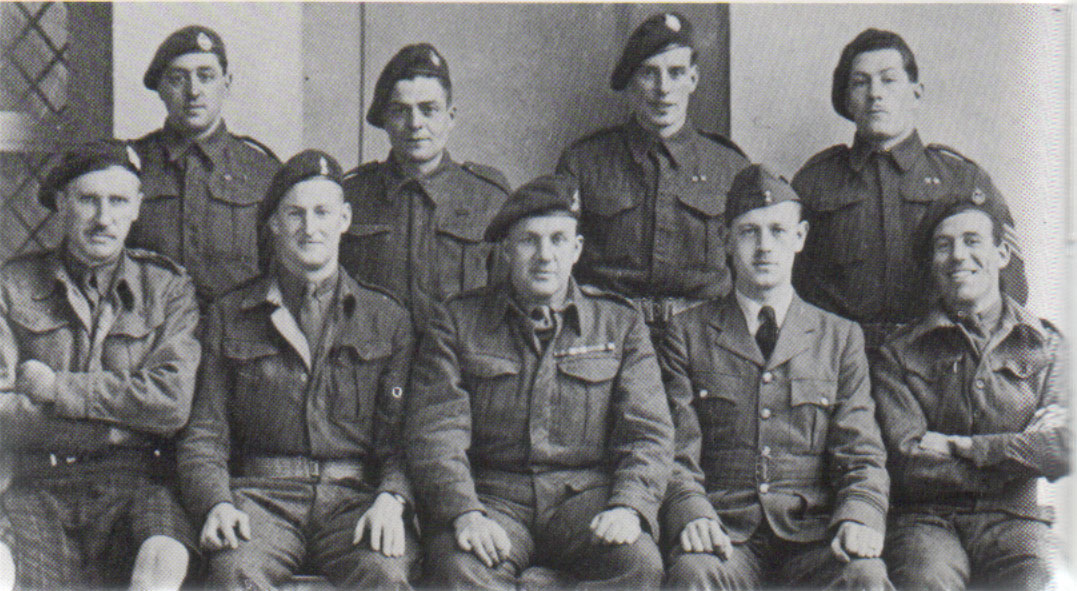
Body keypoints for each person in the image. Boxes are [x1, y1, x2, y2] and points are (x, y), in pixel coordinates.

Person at [406, 175, 673, 590]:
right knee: (459, 567)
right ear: (507, 251)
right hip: (493, 498)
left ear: (577, 249)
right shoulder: (457, 322)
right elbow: (436, 432)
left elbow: (648, 432)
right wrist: (465, 512)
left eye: (558, 240)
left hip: (586, 500)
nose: (544, 255)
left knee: (637, 562)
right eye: (529, 240)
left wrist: (629, 506)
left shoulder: (619, 324)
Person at [177, 150, 418, 589]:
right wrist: (216, 503)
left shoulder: (387, 319)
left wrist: (392, 497)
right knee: (234, 571)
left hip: (355, 500)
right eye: (295, 214)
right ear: (273, 224)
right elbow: (204, 435)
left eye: (323, 212)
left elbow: (402, 438)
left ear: (345, 219)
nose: (310, 228)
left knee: (385, 571)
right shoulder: (231, 314)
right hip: (261, 500)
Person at [660, 165, 891, 590]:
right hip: (725, 530)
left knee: (865, 577)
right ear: (725, 241)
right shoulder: (686, 333)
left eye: (778, 232)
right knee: (694, 574)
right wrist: (691, 511)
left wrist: (861, 514)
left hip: (814, 535)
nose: (765, 247)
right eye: (749, 232)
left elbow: (861, 452)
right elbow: (676, 450)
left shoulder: (839, 337)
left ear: (800, 238)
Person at [0, 140, 200, 589]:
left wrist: (57, 390)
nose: (103, 218)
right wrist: (114, 423)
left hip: (138, 479)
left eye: (118, 202)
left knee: (162, 560)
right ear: (61, 204)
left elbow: (171, 403)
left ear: (137, 209)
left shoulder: (167, 289)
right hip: (39, 479)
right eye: (88, 200)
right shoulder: (12, 285)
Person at [872, 190, 1069, 591]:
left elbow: (1064, 449)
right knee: (924, 582)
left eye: (972, 241)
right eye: (944, 246)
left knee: (1047, 581)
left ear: (1001, 255)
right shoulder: (899, 353)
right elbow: (908, 461)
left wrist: (959, 447)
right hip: (926, 522)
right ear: (933, 264)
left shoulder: (1045, 344)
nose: (958, 256)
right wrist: (1021, 451)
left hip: (1017, 520)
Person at [792, 28, 1028, 351]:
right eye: (861, 82)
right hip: (840, 361)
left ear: (916, 93)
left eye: (888, 80)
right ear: (848, 99)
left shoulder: (961, 179)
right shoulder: (816, 182)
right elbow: (788, 286)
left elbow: (1010, 284)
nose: (875, 93)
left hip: (937, 363)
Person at [557, 12, 750, 338]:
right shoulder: (585, 163)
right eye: (649, 74)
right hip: (610, 333)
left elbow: (748, 274)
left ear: (693, 79)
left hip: (703, 338)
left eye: (675, 73)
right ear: (630, 83)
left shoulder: (730, 167)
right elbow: (559, 262)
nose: (663, 89)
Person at [341, 43, 510, 331]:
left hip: (460, 368)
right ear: (384, 120)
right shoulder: (352, 197)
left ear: (451, 117)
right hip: (372, 367)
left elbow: (508, 303)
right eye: (400, 111)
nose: (415, 123)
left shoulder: (488, 198)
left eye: (428, 110)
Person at [130, 25, 281, 308]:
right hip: (150, 337)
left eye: (206, 76)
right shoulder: (131, 165)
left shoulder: (263, 171)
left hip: (238, 340)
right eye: (177, 79)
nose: (193, 91)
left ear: (227, 83)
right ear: (160, 89)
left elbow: (282, 272)